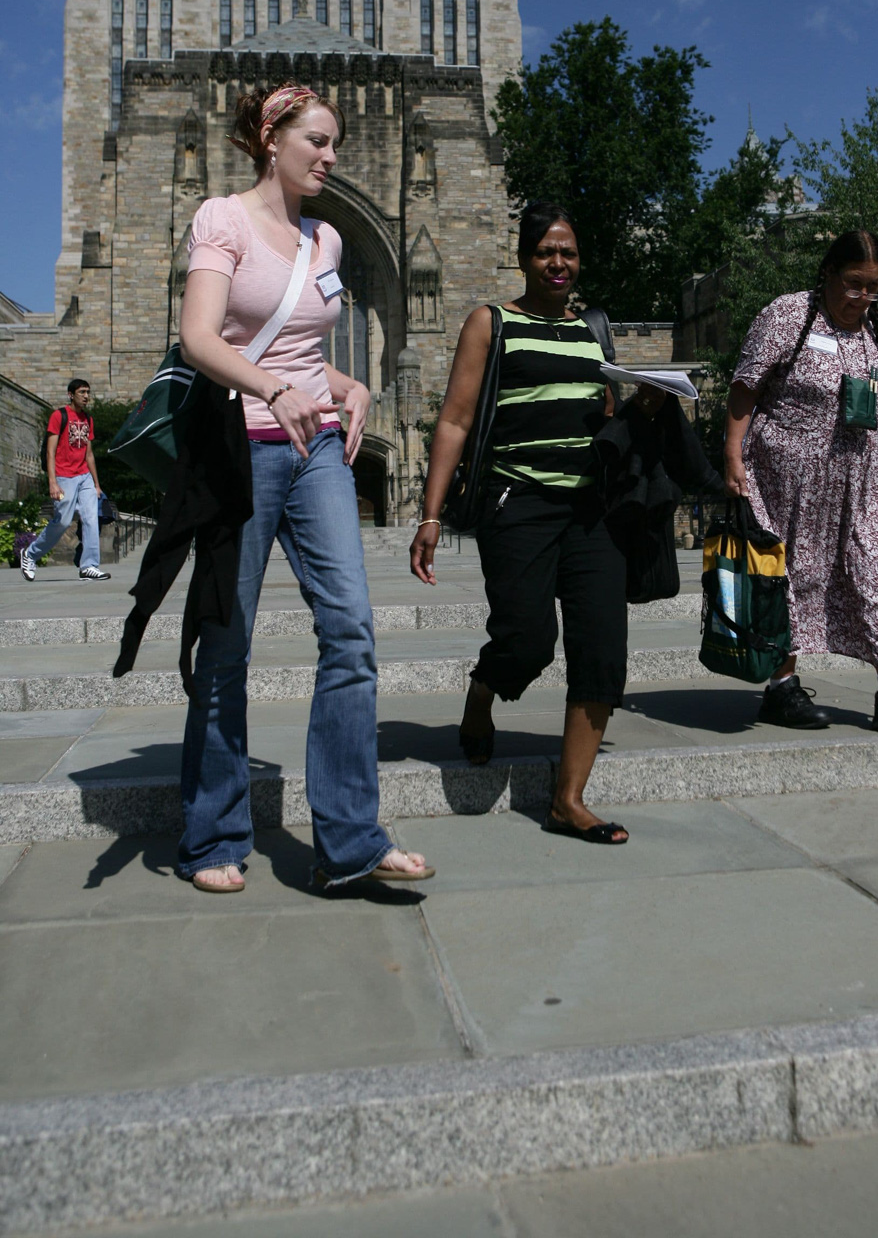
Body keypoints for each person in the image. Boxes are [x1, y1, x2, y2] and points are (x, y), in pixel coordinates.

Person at [176, 81, 432, 894]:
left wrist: (346, 384)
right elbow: (197, 339)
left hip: (317, 444)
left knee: (351, 631)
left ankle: (351, 839)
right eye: (317, 141)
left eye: (335, 145)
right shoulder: (222, 219)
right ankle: (213, 834)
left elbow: (297, 350)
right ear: (271, 138)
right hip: (241, 447)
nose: (329, 156)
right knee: (227, 644)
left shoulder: (325, 241)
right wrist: (268, 390)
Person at [409, 202, 631, 844]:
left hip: (592, 508)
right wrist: (431, 513)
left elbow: (605, 408)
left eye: (568, 252)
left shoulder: (594, 329)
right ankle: (484, 691)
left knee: (600, 647)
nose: (558, 263)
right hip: (519, 503)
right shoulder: (492, 322)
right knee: (527, 637)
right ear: (524, 257)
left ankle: (568, 798)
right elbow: (454, 419)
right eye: (546, 252)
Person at [723, 229, 878, 734]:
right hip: (792, 475)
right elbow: (744, 388)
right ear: (828, 273)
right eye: (854, 284)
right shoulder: (787, 315)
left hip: (867, 473)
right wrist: (732, 455)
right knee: (791, 573)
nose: (863, 298)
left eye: (873, 287)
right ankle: (782, 687)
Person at [21, 379, 111, 582]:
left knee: (90, 519)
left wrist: (96, 484)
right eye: (82, 392)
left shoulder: (88, 419)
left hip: (84, 476)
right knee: (62, 521)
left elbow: (89, 455)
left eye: (88, 392)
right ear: (71, 394)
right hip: (63, 477)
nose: (86, 396)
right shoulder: (58, 416)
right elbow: (50, 452)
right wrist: (52, 482)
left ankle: (89, 565)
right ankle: (30, 554)